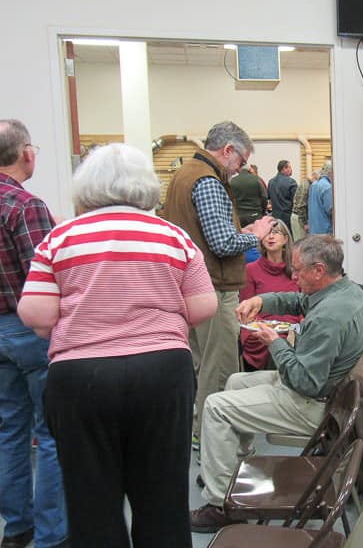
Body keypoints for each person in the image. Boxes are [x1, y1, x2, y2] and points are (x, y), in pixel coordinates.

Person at [18, 143, 218, 547]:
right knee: (163, 497)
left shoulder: (60, 237)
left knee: (92, 503)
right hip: (162, 373)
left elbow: (36, 314)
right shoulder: (172, 236)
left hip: (81, 378)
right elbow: (204, 306)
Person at [189, 235, 363, 532]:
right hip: (325, 390)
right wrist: (262, 300)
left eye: (298, 270)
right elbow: (301, 301)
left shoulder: (328, 317)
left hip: (316, 405)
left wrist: (275, 344)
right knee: (235, 382)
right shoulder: (347, 291)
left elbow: (304, 383)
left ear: (319, 270)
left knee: (215, 406)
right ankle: (233, 470)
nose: (293, 276)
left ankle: (222, 506)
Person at [162, 121, 272, 447]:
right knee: (221, 368)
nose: (239, 169)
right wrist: (254, 235)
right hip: (215, 289)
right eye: (241, 161)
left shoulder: (183, 175)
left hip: (190, 287)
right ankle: (215, 440)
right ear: (227, 150)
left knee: (201, 365)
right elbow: (222, 244)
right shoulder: (208, 182)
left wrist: (242, 231)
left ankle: (200, 431)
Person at [0, 119, 68, 548]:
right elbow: (46, 281)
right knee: (51, 433)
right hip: (29, 332)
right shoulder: (25, 206)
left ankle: (17, 528)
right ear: (27, 153)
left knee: (10, 430)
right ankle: (52, 534)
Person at [239, 219, 301, 371]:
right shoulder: (251, 269)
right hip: (259, 326)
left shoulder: (296, 270)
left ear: (285, 239)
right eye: (267, 233)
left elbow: (303, 304)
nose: (271, 237)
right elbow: (247, 308)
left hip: (292, 328)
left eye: (276, 232)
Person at [267, 159, 297, 236]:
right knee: (288, 237)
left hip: (275, 216)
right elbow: (295, 200)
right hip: (287, 217)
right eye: (290, 167)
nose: (291, 169)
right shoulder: (291, 182)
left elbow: (269, 198)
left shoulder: (271, 182)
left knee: (278, 237)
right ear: (284, 168)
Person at [291, 170, 318, 240]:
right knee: (301, 243)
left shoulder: (306, 183)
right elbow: (301, 206)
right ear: (314, 178)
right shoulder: (306, 185)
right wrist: (305, 223)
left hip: (299, 217)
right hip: (299, 218)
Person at [308, 160, 333, 235]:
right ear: (331, 172)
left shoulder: (314, 185)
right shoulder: (327, 187)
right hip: (325, 231)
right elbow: (331, 210)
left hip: (313, 230)